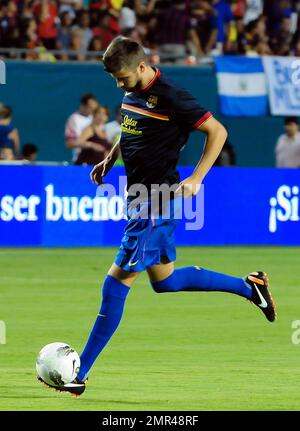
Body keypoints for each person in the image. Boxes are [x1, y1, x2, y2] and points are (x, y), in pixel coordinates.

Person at [39, 36, 277, 396]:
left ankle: (80, 372)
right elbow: (131, 127)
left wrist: (197, 178)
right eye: (115, 79)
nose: (119, 85)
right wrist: (110, 157)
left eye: (123, 78)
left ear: (141, 66)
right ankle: (250, 287)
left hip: (157, 200)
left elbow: (218, 131)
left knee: (115, 282)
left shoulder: (172, 95)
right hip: (139, 197)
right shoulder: (131, 91)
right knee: (164, 281)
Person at [64, 93, 98, 163]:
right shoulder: (74, 119)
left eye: (94, 108)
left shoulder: (96, 118)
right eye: (90, 107)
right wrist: (90, 145)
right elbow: (69, 144)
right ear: (83, 105)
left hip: (98, 161)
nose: (93, 110)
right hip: (81, 161)